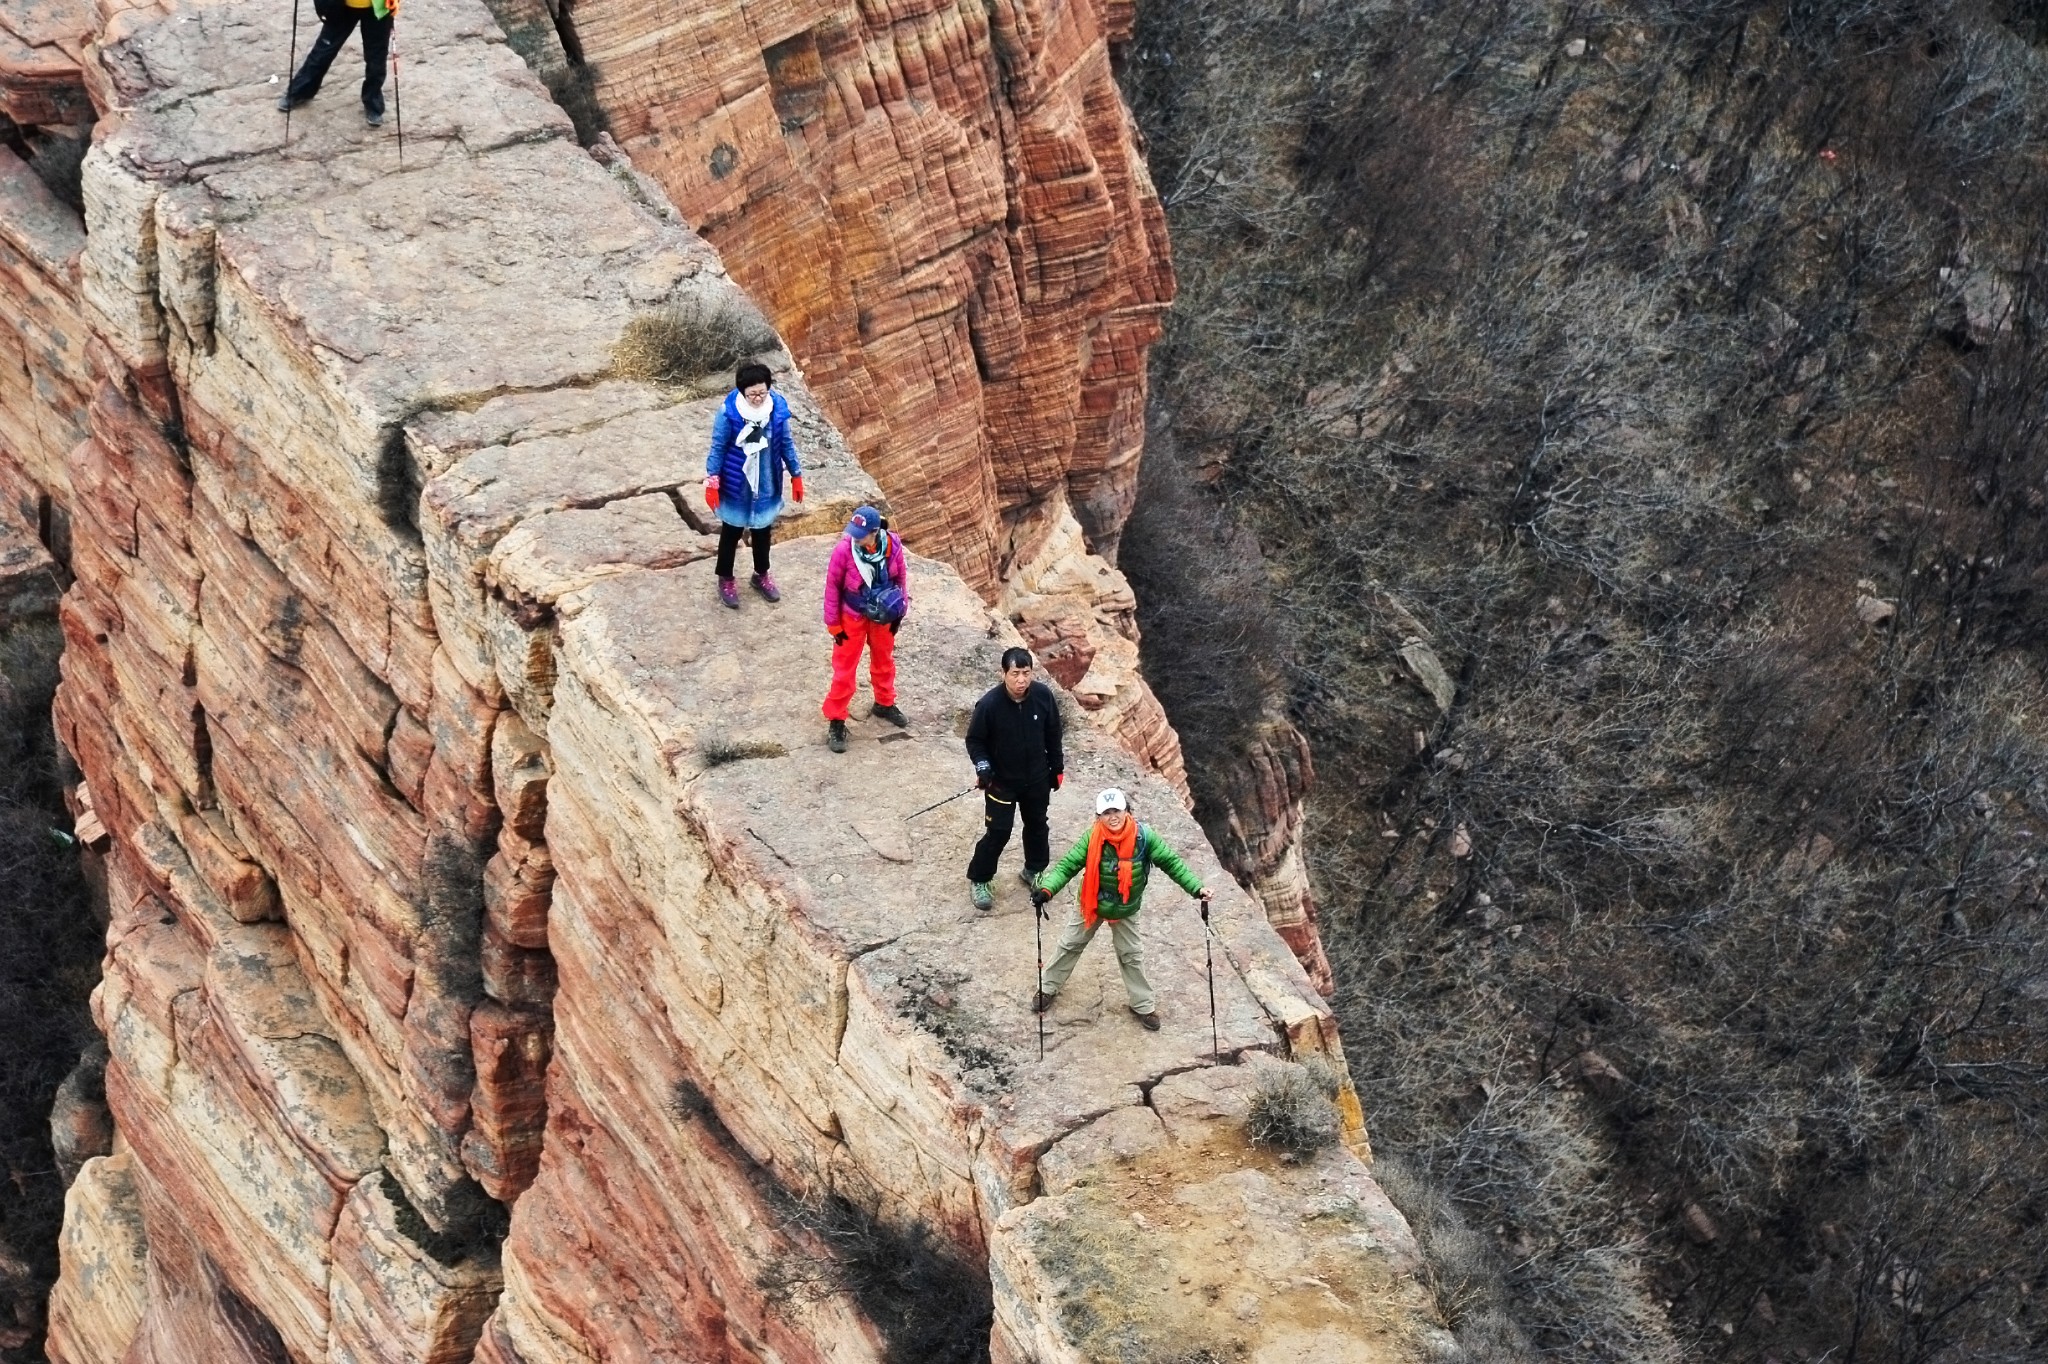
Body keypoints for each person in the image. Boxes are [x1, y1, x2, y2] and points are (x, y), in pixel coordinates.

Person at [1030, 788, 1212, 1031]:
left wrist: (1197, 889)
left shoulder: (1144, 838)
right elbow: (1067, 866)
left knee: (1131, 955)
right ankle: (1047, 988)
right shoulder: (1092, 838)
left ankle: (1143, 1005)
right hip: (1092, 903)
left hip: (1126, 907)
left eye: (1116, 810)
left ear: (1127, 811)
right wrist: (1046, 890)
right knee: (1069, 945)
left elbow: (1172, 863)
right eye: (1106, 813)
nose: (1112, 817)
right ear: (1098, 817)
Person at [963, 648, 1064, 911]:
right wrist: (983, 766)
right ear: (1004, 674)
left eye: (1026, 673)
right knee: (998, 832)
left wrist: (1057, 768)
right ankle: (980, 879)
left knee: (1037, 826)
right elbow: (975, 740)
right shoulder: (989, 705)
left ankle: (1034, 870)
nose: (1021, 680)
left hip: (1037, 778)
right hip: (1001, 782)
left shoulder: (1043, 697)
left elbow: (1053, 733)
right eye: (1015, 674)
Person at [704, 362, 804, 609]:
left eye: (762, 392)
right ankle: (725, 578)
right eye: (752, 394)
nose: (758, 398)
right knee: (731, 532)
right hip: (736, 482)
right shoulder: (729, 414)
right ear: (742, 393)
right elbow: (718, 447)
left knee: (762, 533)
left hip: (766, 480)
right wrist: (712, 480)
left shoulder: (776, 410)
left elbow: (787, 444)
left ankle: (761, 575)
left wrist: (796, 474)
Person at [821, 505, 908, 753]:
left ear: (874, 532)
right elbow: (832, 588)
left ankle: (884, 703)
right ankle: (836, 720)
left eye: (860, 534)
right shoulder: (843, 551)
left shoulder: (892, 546)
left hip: (883, 615)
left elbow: (900, 577)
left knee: (884, 660)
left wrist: (900, 611)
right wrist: (834, 625)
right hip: (852, 616)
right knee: (844, 668)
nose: (854, 538)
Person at [276, 0, 397, 128]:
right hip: (340, 7)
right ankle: (299, 91)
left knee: (376, 60)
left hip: (378, 8)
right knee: (322, 53)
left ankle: (373, 103)